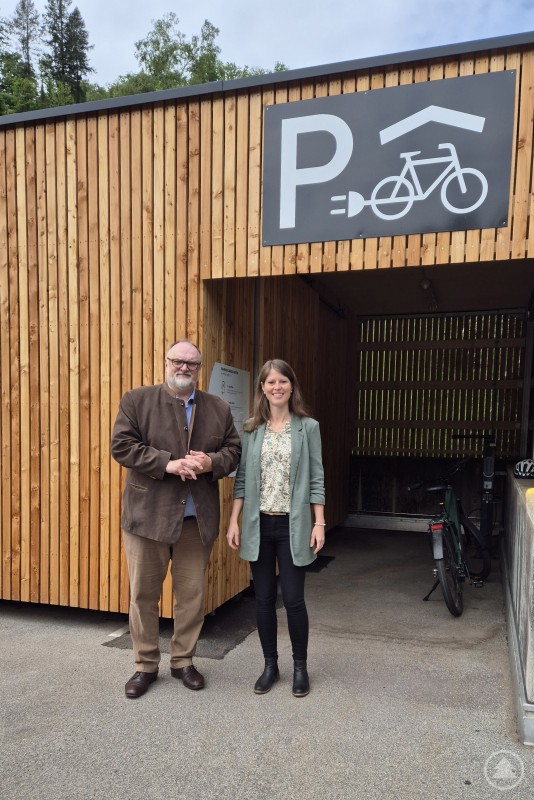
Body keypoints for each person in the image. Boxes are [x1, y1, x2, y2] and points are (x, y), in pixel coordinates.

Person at [111, 340, 241, 698]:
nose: (184, 368)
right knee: (143, 596)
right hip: (147, 519)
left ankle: (183, 661)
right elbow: (121, 445)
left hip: (194, 521)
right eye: (178, 361)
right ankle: (145, 665)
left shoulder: (217, 408)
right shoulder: (137, 400)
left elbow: (233, 451)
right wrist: (167, 463)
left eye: (192, 364)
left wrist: (210, 462)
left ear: (200, 368)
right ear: (166, 362)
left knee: (192, 597)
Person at [226, 359, 325, 698]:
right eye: (270, 382)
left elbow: (316, 479)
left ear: (292, 386)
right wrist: (233, 520)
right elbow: (240, 479)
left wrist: (320, 523)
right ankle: (270, 665)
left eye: (283, 381)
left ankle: (301, 668)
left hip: (293, 526)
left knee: (294, 600)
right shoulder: (252, 428)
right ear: (263, 389)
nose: (277, 387)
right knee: (264, 599)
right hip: (259, 525)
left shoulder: (308, 427)